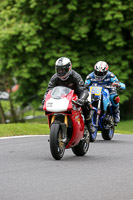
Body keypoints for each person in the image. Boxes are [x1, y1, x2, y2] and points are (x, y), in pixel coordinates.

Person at [42, 57, 95, 134]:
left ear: (69, 68)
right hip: (61, 96)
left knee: (86, 104)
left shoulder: (76, 76)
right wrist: (45, 99)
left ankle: (89, 122)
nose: (60, 72)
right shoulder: (54, 78)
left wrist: (81, 100)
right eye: (58, 69)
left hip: (76, 95)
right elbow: (49, 90)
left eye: (63, 70)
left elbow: (83, 90)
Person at [85, 61, 126, 125]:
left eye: (101, 73)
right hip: (95, 92)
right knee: (86, 99)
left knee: (114, 98)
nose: (99, 75)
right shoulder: (90, 77)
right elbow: (85, 85)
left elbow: (119, 83)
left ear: (106, 72)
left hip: (109, 90)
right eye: (97, 72)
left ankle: (116, 114)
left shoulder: (111, 76)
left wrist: (118, 85)